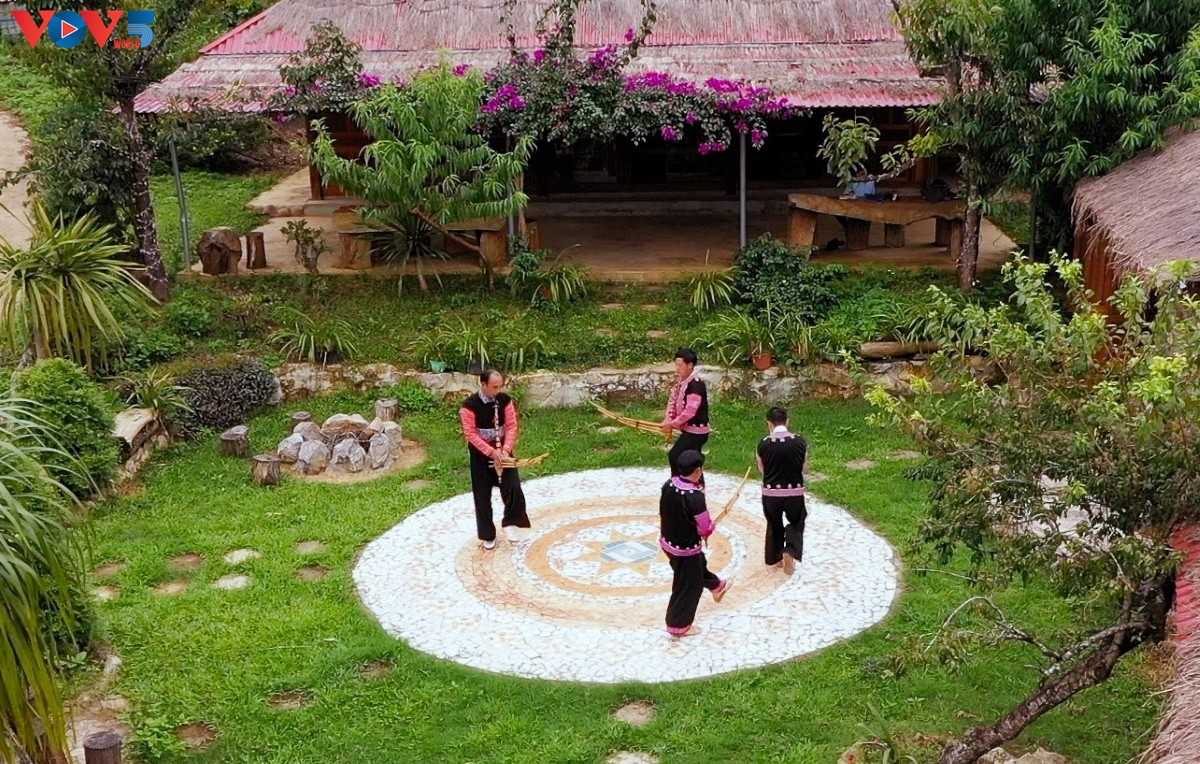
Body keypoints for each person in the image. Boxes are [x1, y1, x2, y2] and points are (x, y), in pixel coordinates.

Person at [658, 449, 730, 637]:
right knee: (688, 585)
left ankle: (716, 586)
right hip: (685, 548)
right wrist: (711, 526)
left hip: (668, 542)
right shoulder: (694, 496)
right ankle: (678, 625)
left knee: (696, 567)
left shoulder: (668, 484)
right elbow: (705, 528)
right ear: (698, 470)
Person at [459, 369, 530, 549]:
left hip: (503, 450)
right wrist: (491, 452)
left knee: (513, 486)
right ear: (483, 384)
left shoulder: (505, 400)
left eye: (500, 386)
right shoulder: (469, 406)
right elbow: (470, 433)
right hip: (481, 454)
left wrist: (506, 449)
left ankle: (511, 522)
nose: (498, 391)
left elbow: (512, 426)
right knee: (482, 494)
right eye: (494, 387)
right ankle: (487, 534)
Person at [756, 406, 808, 575]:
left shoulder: (763, 444)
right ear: (787, 421)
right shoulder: (800, 442)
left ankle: (774, 558)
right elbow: (803, 467)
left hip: (771, 493)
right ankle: (790, 550)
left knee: (774, 524)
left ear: (769, 424)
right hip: (794, 493)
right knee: (796, 521)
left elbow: (762, 469)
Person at [662, 348, 710, 479]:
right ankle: (694, 486)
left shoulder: (696, 384)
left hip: (696, 432)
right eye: (676, 365)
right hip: (689, 430)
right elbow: (672, 400)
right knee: (693, 462)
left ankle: (679, 485)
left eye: (680, 365)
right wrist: (668, 419)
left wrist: (673, 424)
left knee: (676, 456)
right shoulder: (682, 382)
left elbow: (690, 411)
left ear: (690, 365)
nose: (677, 369)